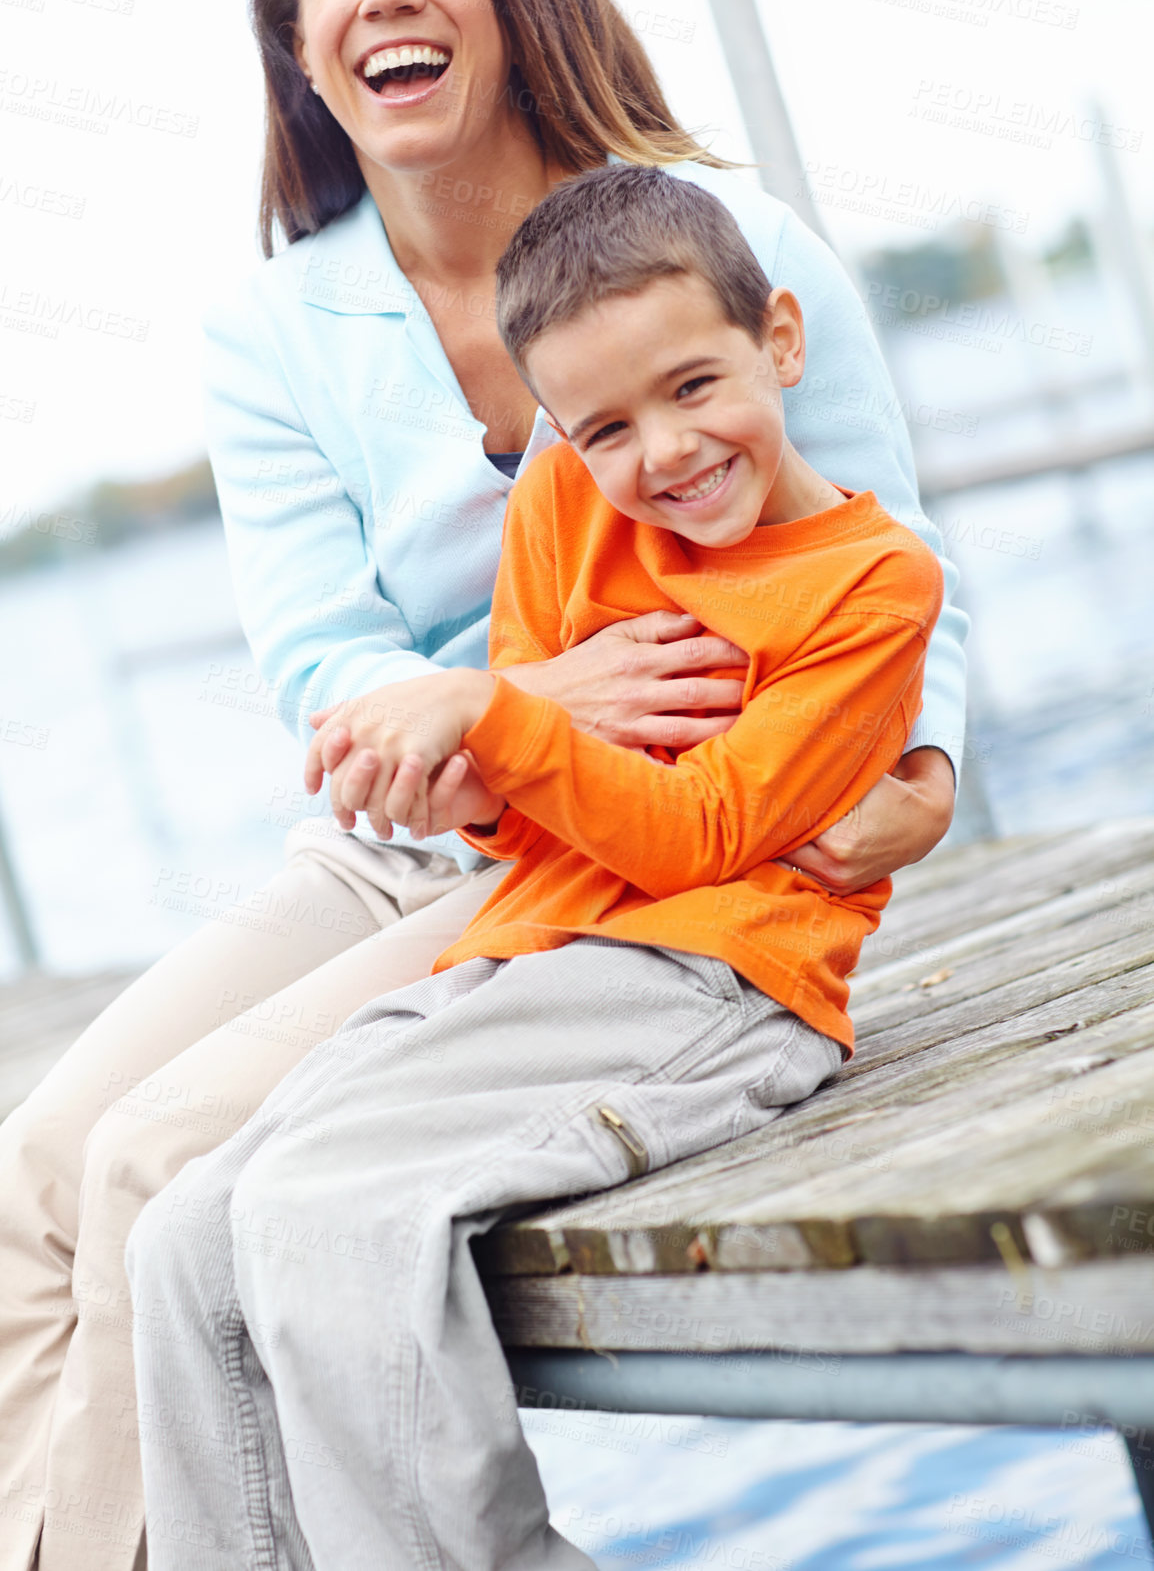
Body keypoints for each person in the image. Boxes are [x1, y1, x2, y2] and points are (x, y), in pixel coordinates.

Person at [0, 0, 965, 1567]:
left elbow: (883, 542)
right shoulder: (278, 328)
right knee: (34, 1174)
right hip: (408, 839)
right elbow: (322, 662)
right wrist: (512, 696)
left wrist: (923, 763)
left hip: (632, 855)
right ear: (298, 49)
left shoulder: (712, 239)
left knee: (160, 1172)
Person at [125, 163, 944, 1570]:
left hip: (710, 982)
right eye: (607, 425)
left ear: (783, 342)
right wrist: (480, 774)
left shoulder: (871, 584)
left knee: (333, 1218)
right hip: (522, 952)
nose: (665, 452)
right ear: (556, 429)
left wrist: (492, 720)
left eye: (694, 386)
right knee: (188, 1230)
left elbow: (706, 833)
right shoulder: (565, 501)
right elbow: (526, 791)